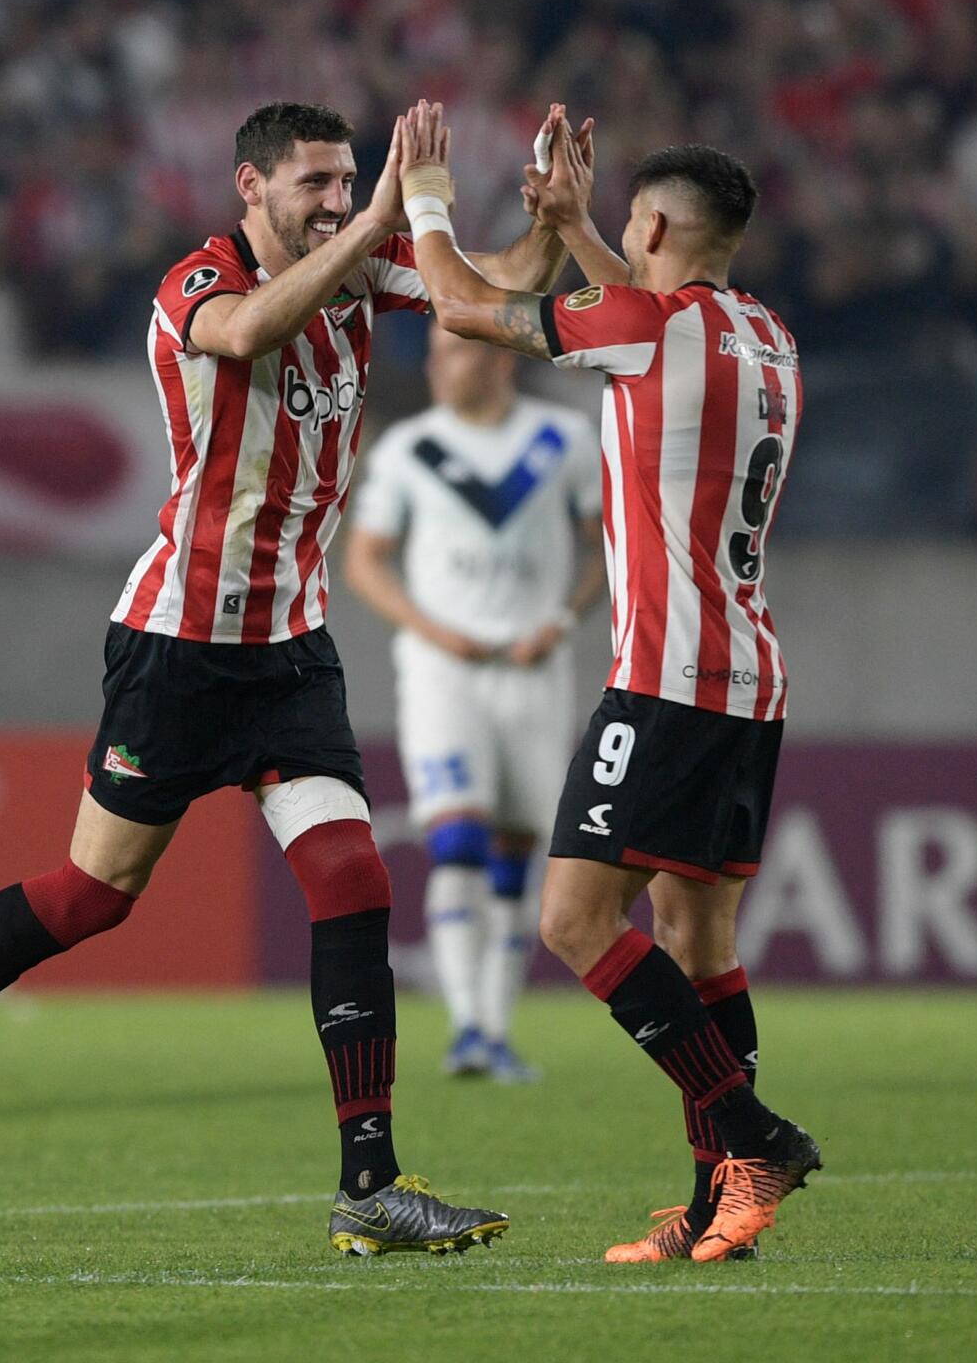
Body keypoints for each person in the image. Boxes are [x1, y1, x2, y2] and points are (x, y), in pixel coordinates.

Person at [0, 101, 569, 1255]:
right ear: (249, 186)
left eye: (348, 178)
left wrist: (550, 226)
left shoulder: (362, 271)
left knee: (355, 877)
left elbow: (491, 300)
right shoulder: (196, 283)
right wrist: (370, 229)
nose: (333, 198)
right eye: (314, 181)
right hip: (179, 647)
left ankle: (369, 1182)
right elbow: (247, 332)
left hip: (291, 650)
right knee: (90, 894)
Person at [401, 101, 823, 1265]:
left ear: (651, 223)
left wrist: (426, 197)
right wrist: (581, 228)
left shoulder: (640, 321)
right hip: (748, 679)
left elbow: (456, 305)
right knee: (696, 935)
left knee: (575, 919)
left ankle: (753, 1137)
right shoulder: (762, 331)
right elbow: (635, 321)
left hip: (664, 681)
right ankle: (712, 1204)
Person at [345, 324, 604, 1083]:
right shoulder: (408, 449)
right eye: (429, 351)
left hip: (534, 670)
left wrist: (559, 620)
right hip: (442, 671)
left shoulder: (562, 439)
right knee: (457, 841)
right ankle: (465, 1027)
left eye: (449, 351)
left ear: (495, 358)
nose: (431, 365)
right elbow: (364, 560)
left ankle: (494, 1027)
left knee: (520, 857)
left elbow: (601, 546)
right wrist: (432, 629)